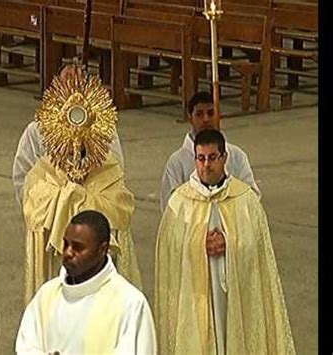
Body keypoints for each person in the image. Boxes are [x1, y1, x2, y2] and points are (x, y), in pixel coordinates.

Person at [154, 129, 295, 354]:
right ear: (195, 160)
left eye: (212, 158)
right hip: (195, 294)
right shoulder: (179, 202)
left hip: (236, 291)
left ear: (224, 158)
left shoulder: (245, 199)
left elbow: (258, 248)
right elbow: (169, 249)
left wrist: (230, 244)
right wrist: (198, 245)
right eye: (201, 158)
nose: (206, 165)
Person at [21, 64, 142, 305]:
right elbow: (27, 194)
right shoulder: (42, 163)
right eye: (68, 82)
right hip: (55, 265)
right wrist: (60, 199)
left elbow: (120, 207)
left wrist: (84, 195)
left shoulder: (107, 154)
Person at [15, 210, 156, 355]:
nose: (68, 253)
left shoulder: (130, 303)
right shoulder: (47, 295)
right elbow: (26, 347)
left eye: (78, 247)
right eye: (66, 244)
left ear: (102, 250)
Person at [12, 66, 124, 207]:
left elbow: (116, 175)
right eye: (67, 84)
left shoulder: (105, 130)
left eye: (78, 84)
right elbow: (23, 179)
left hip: (94, 211)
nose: (72, 93)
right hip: (49, 211)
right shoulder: (36, 131)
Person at [159, 91, 260, 212]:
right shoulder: (177, 162)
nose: (206, 119)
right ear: (190, 117)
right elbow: (169, 206)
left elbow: (251, 196)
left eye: (210, 113)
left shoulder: (237, 156)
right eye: (199, 114)